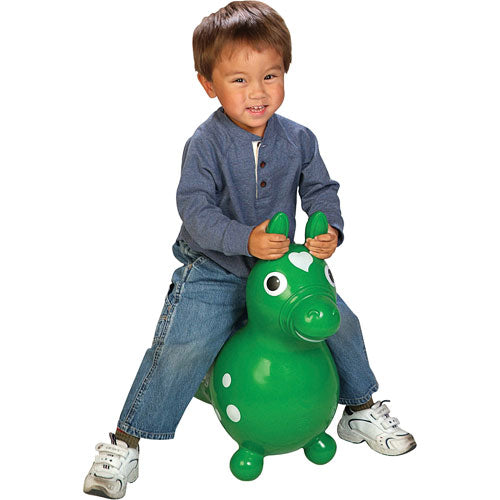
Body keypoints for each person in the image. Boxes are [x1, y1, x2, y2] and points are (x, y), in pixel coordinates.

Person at [84, 1, 416, 497]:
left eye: (270, 76)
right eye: (239, 80)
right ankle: (126, 441)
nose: (257, 92)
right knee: (182, 343)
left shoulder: (300, 138)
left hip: (281, 270)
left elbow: (321, 190)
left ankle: (360, 408)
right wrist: (245, 240)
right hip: (216, 266)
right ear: (208, 84)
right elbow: (195, 211)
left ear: (285, 74)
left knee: (341, 321)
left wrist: (329, 229)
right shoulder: (205, 144)